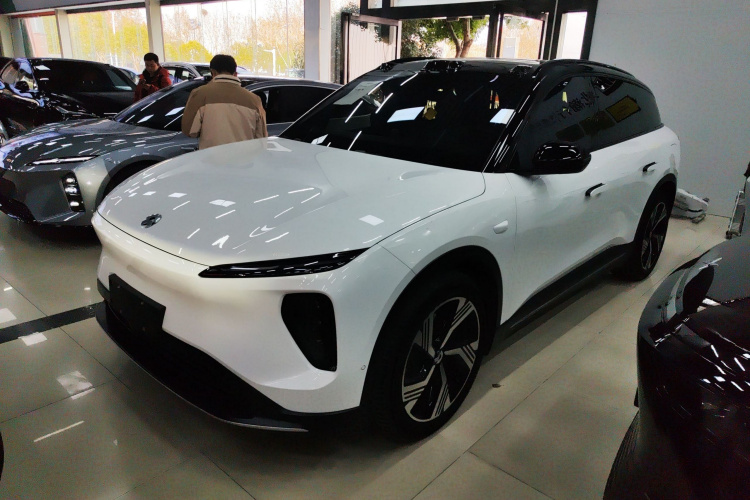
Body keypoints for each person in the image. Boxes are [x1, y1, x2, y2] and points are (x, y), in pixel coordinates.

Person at [181, 54, 267, 150]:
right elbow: (262, 138)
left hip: (211, 157)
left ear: (212, 72)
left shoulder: (199, 94)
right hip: (244, 157)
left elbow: (190, 131)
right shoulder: (254, 100)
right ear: (235, 74)